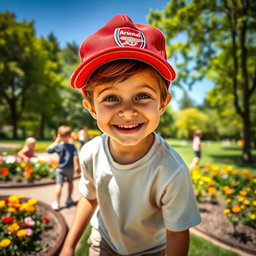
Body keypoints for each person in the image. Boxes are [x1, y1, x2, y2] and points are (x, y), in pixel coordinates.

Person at [60, 14, 201, 256]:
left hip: (152, 251)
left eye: (143, 95)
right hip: (102, 242)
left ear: (163, 103)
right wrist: (69, 245)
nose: (127, 112)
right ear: (92, 108)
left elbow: (177, 232)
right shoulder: (91, 152)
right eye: (111, 98)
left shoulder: (171, 170)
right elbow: (89, 197)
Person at [47, 125, 81, 210]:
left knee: (59, 185)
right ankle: (69, 199)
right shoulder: (72, 146)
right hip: (70, 168)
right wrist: (77, 167)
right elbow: (76, 156)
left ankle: (56, 202)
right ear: (70, 136)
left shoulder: (58, 146)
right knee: (70, 183)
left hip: (60, 168)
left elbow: (49, 150)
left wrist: (56, 141)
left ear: (59, 135)